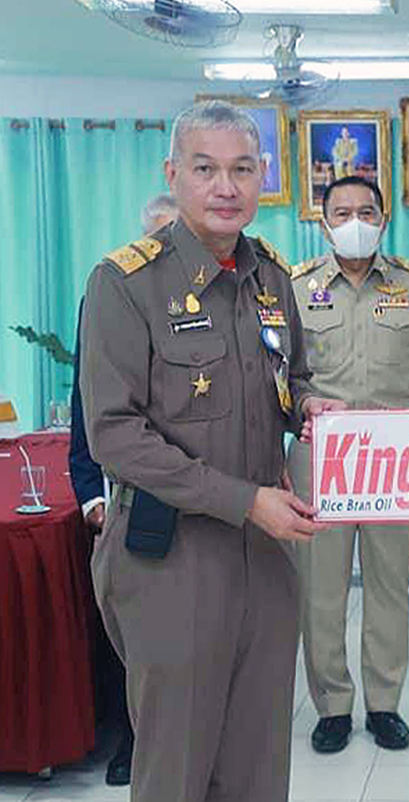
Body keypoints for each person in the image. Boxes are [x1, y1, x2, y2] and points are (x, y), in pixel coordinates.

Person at [79, 100, 345, 802]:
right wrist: (243, 500)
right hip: (171, 556)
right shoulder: (125, 284)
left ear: (263, 178)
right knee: (177, 769)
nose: (225, 187)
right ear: (173, 175)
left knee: (258, 765)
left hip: (266, 554)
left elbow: (292, 375)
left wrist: (309, 405)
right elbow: (114, 434)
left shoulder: (271, 277)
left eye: (242, 169)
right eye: (205, 169)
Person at [286, 175, 409, 754]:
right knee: (320, 590)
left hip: (394, 461)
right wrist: (301, 409)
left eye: (366, 212)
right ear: (323, 222)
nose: (355, 222)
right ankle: (332, 705)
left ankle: (384, 703)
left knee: (389, 586)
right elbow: (281, 378)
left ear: (384, 219)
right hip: (322, 459)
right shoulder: (296, 288)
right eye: (342, 212)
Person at [69, 193, 177, 787]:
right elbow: (85, 407)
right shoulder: (111, 293)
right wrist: (91, 495)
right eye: (156, 237)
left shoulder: (217, 301)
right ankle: (129, 739)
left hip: (200, 498)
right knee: (133, 639)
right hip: (133, 500)